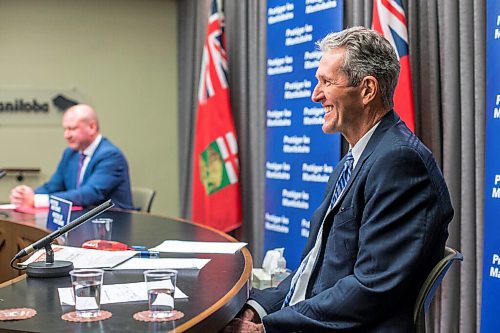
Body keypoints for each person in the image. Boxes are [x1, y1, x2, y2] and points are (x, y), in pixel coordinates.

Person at [225, 27, 454, 333]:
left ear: (367, 90)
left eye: (326, 83)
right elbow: (313, 269)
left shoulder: (399, 162)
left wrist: (268, 328)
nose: (315, 95)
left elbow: (370, 288)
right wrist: (258, 308)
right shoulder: (355, 159)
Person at [10, 104, 134, 210]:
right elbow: (53, 186)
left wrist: (35, 200)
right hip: (81, 223)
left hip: (113, 226)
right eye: (65, 129)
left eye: (72, 129)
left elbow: (89, 194)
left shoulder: (110, 156)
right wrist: (25, 196)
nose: (66, 135)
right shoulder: (70, 153)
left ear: (92, 127)